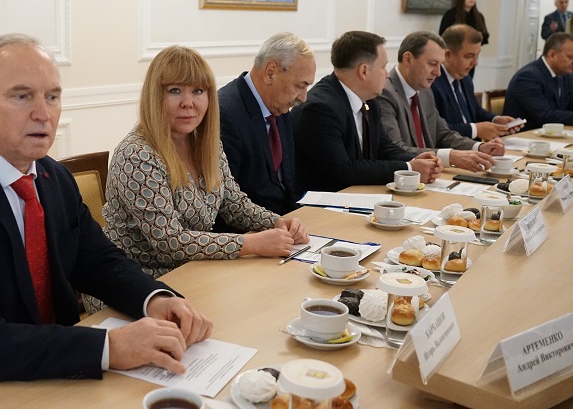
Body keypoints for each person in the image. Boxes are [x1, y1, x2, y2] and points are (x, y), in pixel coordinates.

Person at [0, 34, 212, 408]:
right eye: (22, 96)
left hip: (46, 375)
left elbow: (98, 261)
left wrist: (154, 298)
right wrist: (108, 347)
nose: (44, 114)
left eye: (52, 97)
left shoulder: (52, 177)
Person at [101, 45, 307, 282]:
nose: (188, 103)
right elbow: (169, 242)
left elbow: (233, 203)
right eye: (175, 91)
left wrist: (278, 222)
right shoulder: (137, 155)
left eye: (198, 91)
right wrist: (249, 243)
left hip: (193, 272)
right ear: (154, 96)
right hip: (136, 281)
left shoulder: (205, 142)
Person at [292, 31, 441, 193]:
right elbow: (343, 171)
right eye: (383, 67)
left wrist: (417, 160)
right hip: (323, 200)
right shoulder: (320, 109)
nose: (387, 74)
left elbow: (383, 147)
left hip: (358, 195)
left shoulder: (370, 100)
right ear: (363, 71)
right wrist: (409, 168)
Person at [218, 32, 316, 216]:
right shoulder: (225, 113)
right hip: (251, 229)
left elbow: (287, 187)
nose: (303, 98)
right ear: (271, 72)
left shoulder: (279, 106)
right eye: (300, 86)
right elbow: (227, 203)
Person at [379, 31, 503, 173]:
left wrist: (478, 147)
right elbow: (396, 148)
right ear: (408, 59)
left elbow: (442, 133)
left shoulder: (425, 90)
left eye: (440, 65)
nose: (438, 73)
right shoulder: (385, 93)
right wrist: (451, 157)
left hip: (433, 174)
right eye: (432, 64)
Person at [432, 24, 519, 139]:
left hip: (475, 146)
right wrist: (474, 130)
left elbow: (475, 111)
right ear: (447, 55)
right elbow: (436, 129)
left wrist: (495, 119)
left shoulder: (466, 78)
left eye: (477, 55)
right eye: (469, 56)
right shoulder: (432, 83)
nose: (475, 62)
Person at [503, 32, 573, 130]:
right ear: (552, 55)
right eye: (570, 57)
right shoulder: (527, 77)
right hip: (524, 136)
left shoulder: (564, 75)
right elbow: (546, 116)